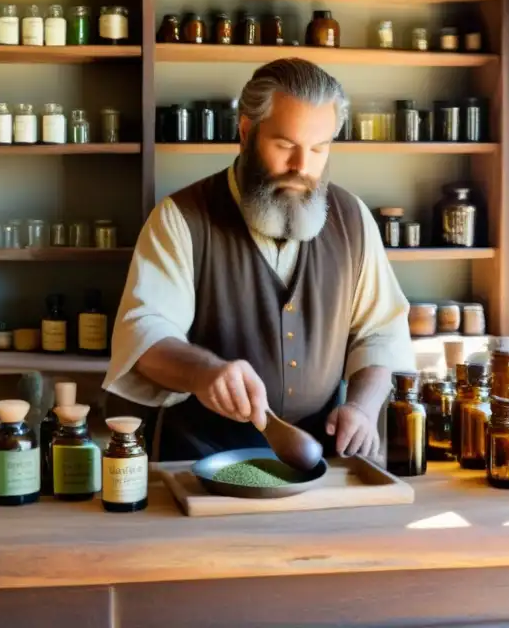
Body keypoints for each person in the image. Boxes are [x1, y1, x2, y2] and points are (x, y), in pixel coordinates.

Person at [104, 58, 415, 461]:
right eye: (285, 145)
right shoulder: (181, 218)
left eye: (318, 149)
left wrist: (362, 407)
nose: (301, 167)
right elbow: (144, 334)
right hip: (200, 459)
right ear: (246, 133)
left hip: (320, 459)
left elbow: (381, 333)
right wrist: (204, 372)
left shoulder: (352, 218)